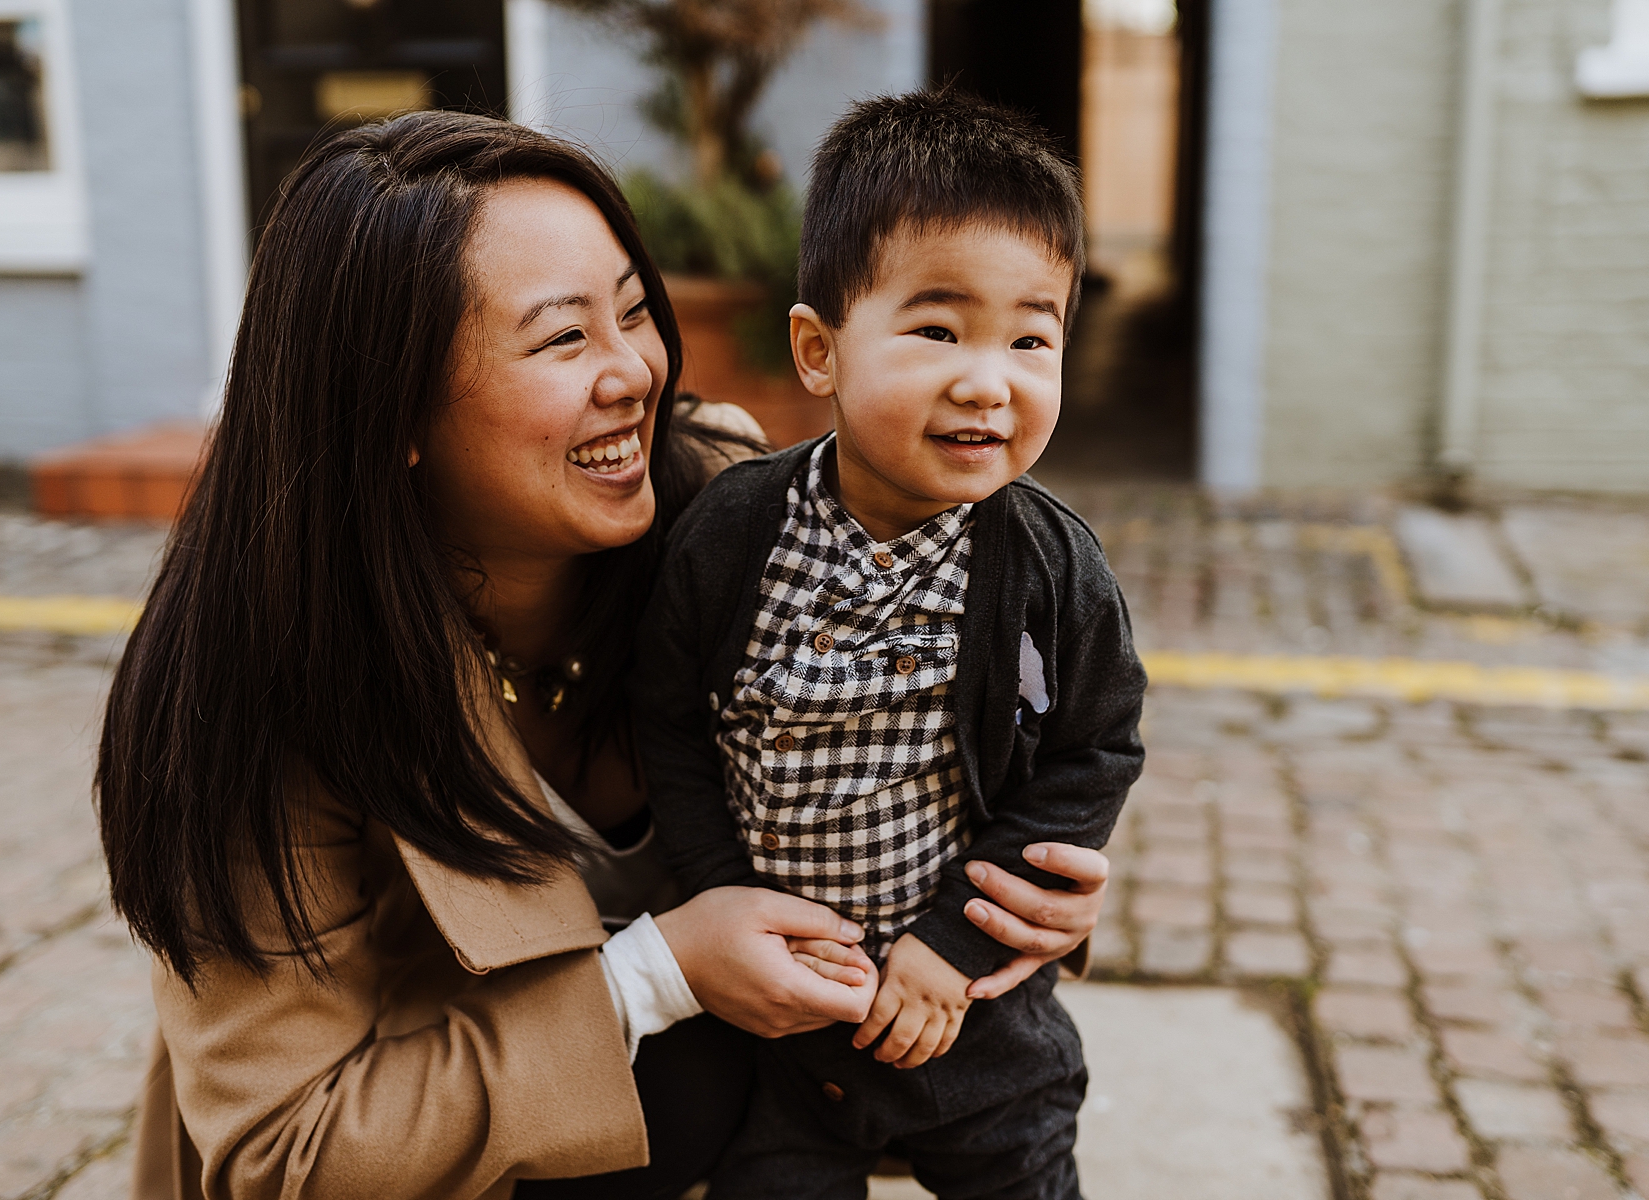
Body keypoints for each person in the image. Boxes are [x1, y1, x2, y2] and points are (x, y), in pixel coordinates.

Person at [95, 110, 1112, 1200]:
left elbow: (937, 746)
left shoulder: (735, 519)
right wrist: (652, 976)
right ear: (391, 409)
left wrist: (1013, 899)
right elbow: (289, 1147)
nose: (635, 371)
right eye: (562, 338)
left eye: (634, 312)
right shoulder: (259, 694)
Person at [632, 92, 1149, 1200]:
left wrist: (957, 945)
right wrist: (728, 896)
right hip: (785, 1030)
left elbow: (1093, 755)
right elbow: (669, 721)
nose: (988, 379)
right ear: (819, 351)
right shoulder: (733, 535)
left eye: (1031, 337)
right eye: (936, 328)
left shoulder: (1052, 568)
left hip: (979, 1032)